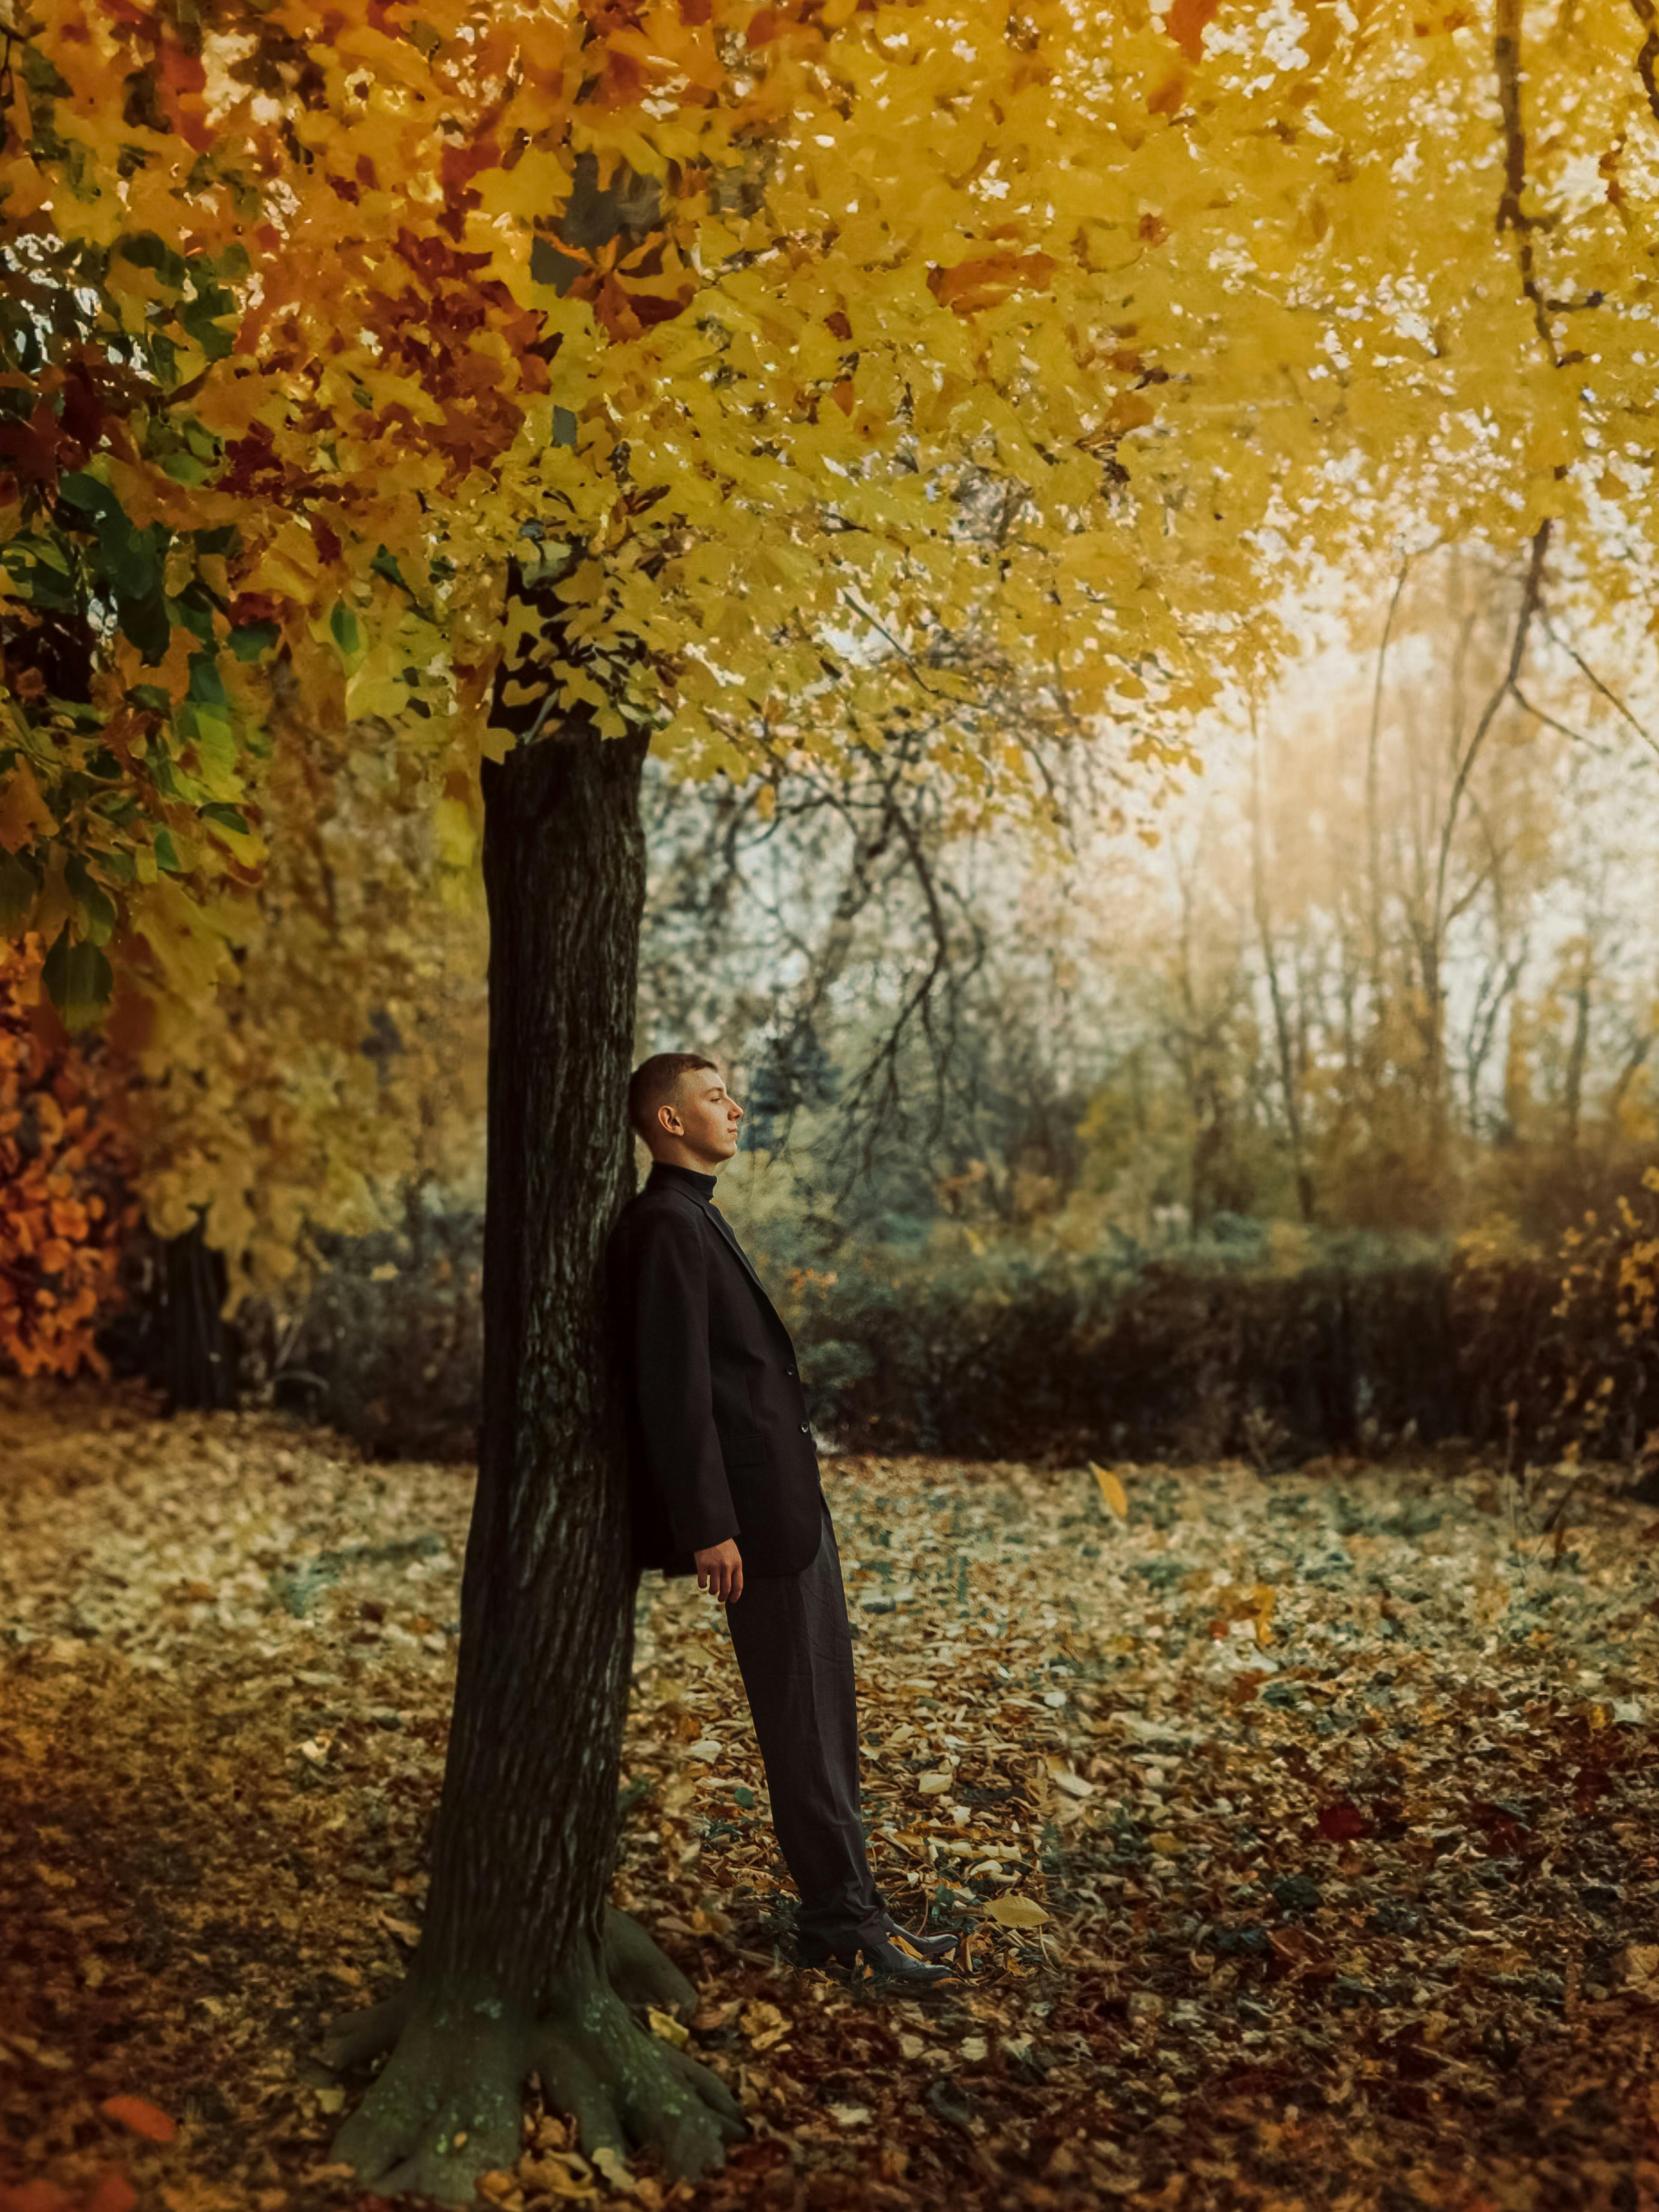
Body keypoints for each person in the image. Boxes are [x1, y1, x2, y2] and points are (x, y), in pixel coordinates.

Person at [605, 1051, 959, 1988]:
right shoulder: (664, 1227)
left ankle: (854, 1911)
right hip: (752, 1523)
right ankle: (841, 1924)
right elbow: (671, 1389)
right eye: (713, 1097)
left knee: (827, 1718)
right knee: (801, 1726)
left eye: (729, 1093)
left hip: (788, 1506)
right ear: (668, 1122)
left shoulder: (694, 1219)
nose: (733, 1108)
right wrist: (707, 1524)